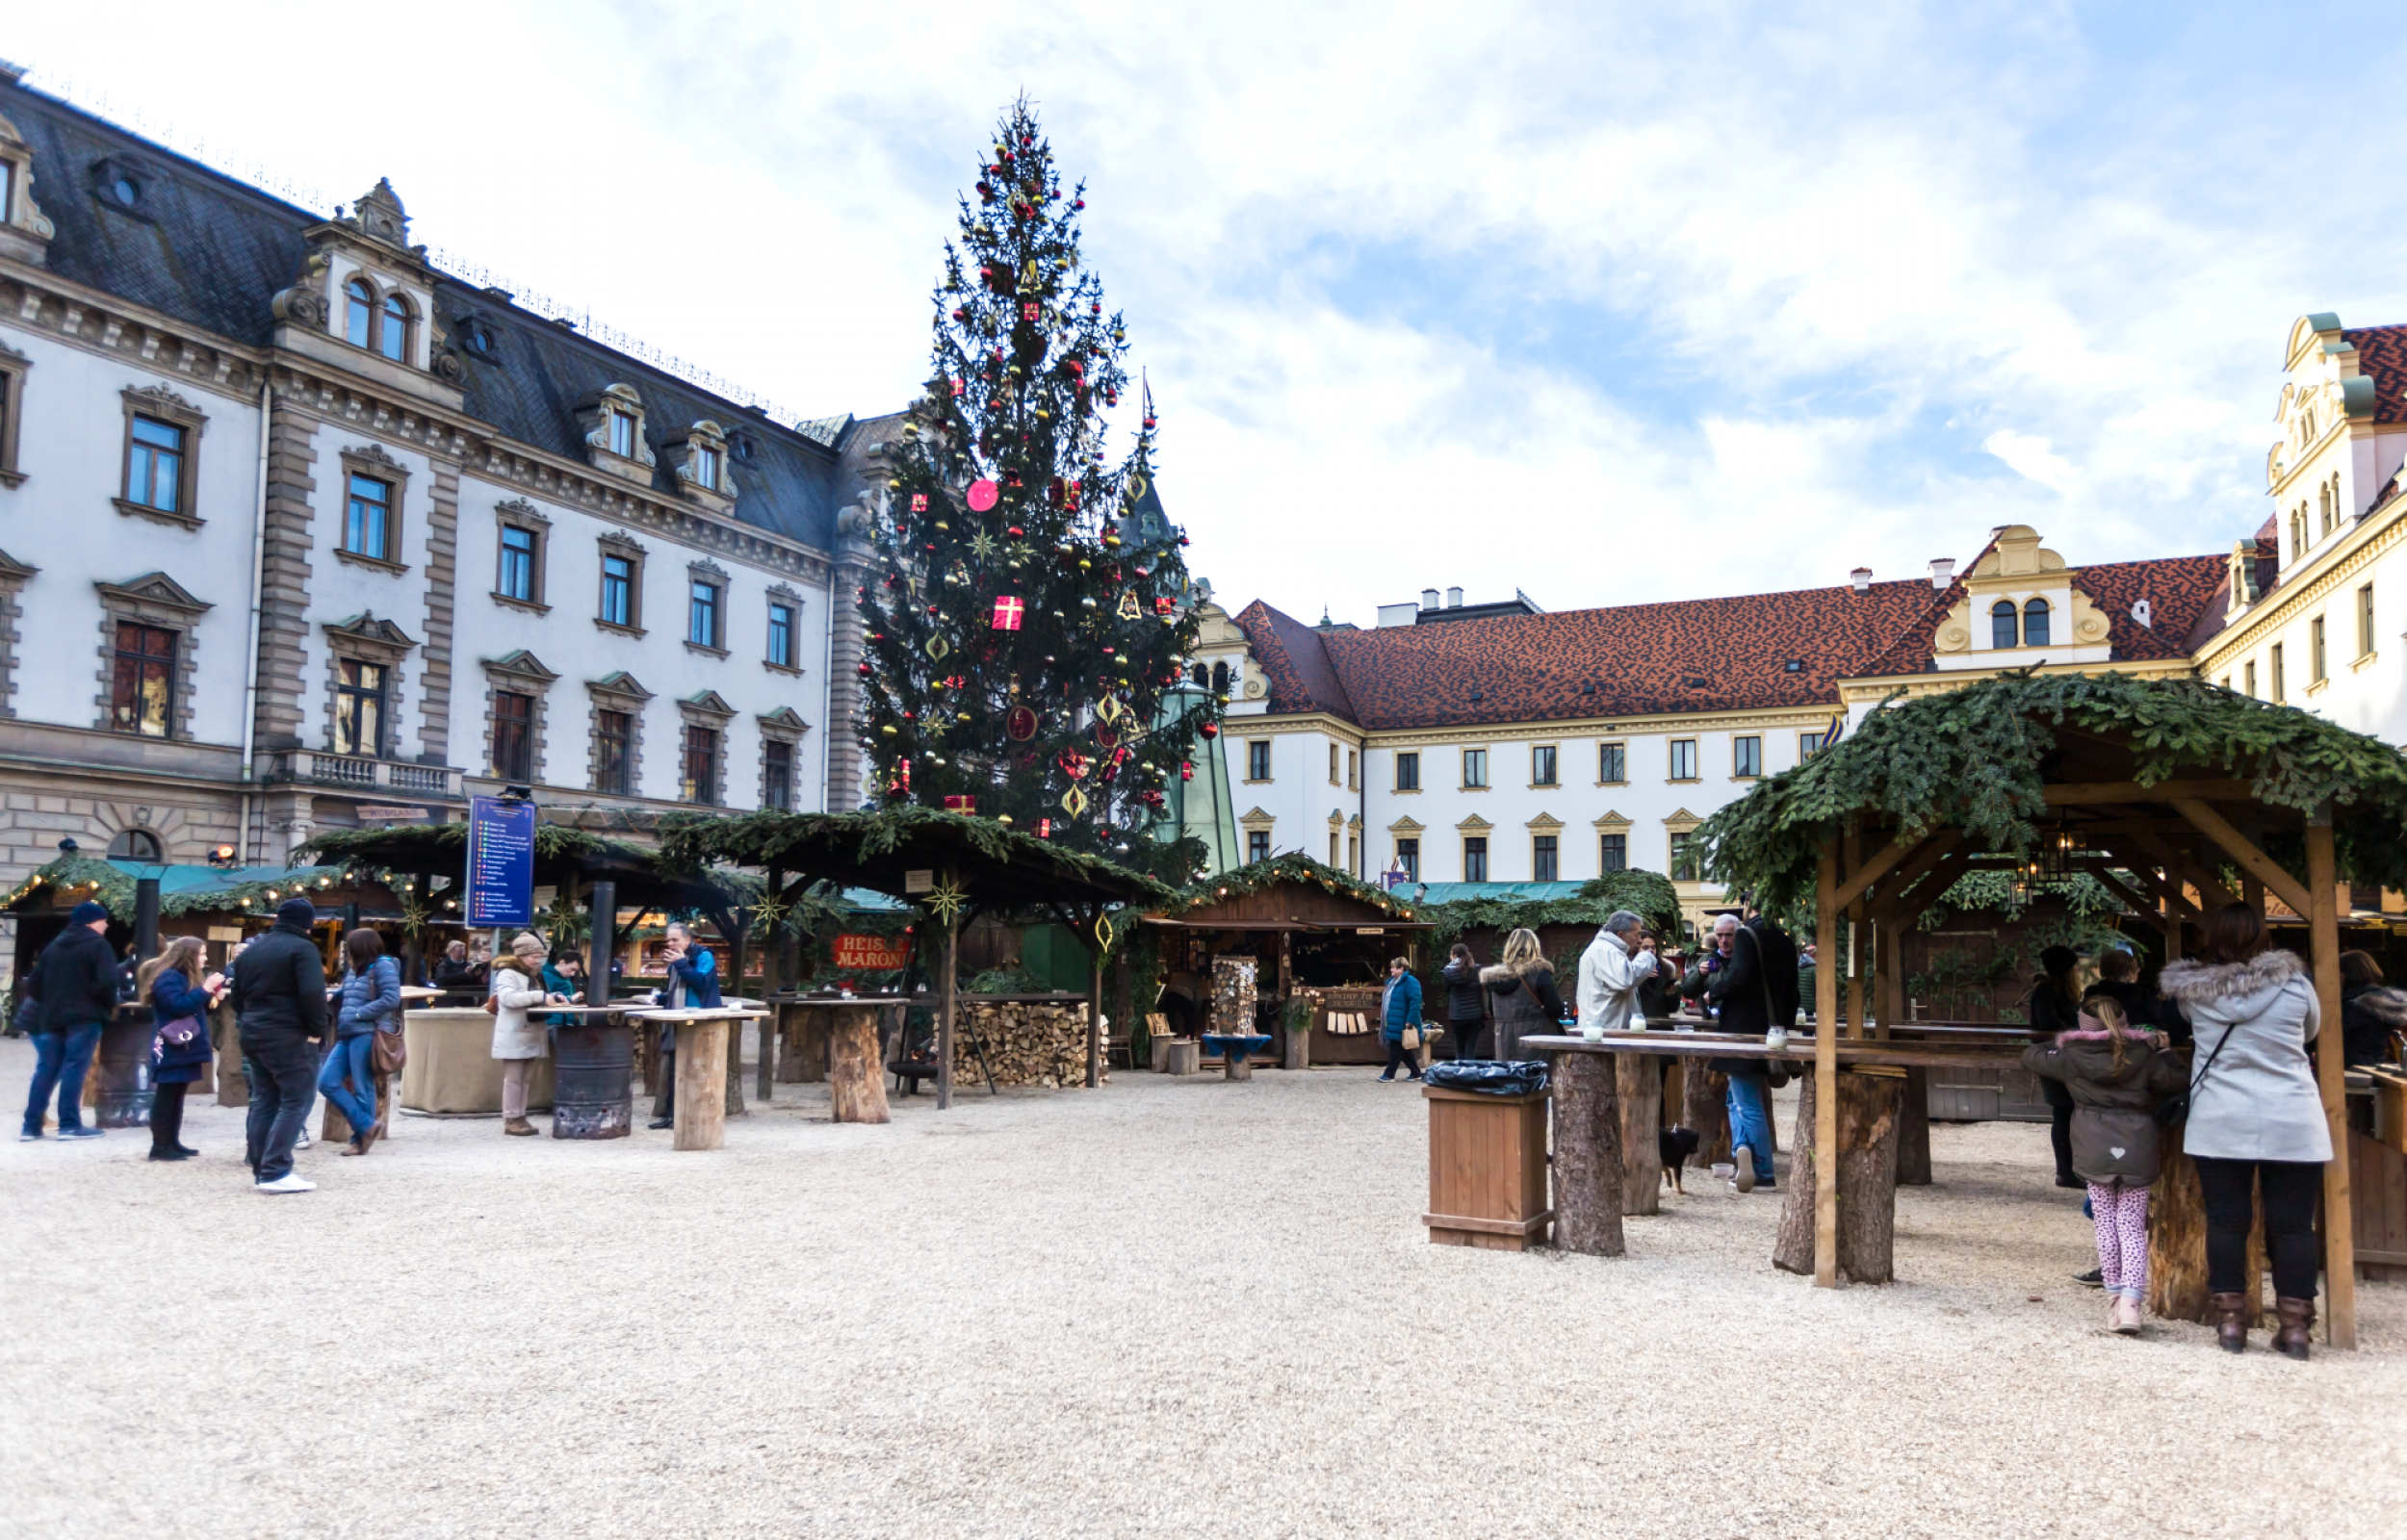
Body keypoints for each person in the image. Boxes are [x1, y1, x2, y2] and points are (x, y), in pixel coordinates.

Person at [2160, 903, 2331, 1359]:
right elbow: (2310, 1033)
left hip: (2221, 1115)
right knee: (2294, 1227)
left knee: (2227, 1222)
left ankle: (2232, 1324)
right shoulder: (2297, 986)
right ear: (2263, 937)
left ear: (2213, 938)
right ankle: (2296, 1328)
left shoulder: (2194, 994)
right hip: (2292, 1114)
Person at [2023, 996, 2186, 1334]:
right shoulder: (2143, 1053)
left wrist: (2063, 1041)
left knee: (2105, 1223)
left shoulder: (2071, 1056)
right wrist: (2165, 1051)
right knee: (2131, 1226)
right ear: (2125, 1021)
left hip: (2093, 1145)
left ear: (2083, 1026)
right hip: (2137, 1143)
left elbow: (2031, 1055)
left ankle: (2114, 1299)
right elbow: (2178, 1080)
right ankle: (2131, 1305)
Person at [231, 897, 330, 1193]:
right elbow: (313, 993)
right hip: (289, 1034)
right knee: (297, 1099)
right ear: (308, 923)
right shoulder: (303, 948)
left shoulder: (252, 950)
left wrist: (250, 1019)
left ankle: (261, 1168)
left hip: (254, 1031)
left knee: (264, 1101)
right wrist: (317, 1030)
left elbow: (237, 997)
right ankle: (275, 1170)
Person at [1684, 913, 1778, 1193]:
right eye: (1720, 935)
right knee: (1735, 1100)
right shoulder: (1711, 959)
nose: (1724, 940)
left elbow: (1737, 983)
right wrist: (1700, 975)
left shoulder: (1745, 961)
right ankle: (1742, 1151)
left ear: (1740, 936)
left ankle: (1763, 1171)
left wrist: (1713, 993)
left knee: (1747, 1104)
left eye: (1730, 935)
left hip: (1741, 1033)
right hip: (1730, 1032)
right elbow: (1686, 989)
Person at [19, 900, 118, 1142]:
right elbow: (108, 982)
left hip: (52, 1018)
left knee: (46, 1069)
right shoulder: (98, 945)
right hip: (85, 1017)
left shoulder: (54, 947)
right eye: (104, 921)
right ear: (92, 922)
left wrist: (54, 999)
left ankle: (31, 1127)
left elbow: (34, 985)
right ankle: (70, 1125)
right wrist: (102, 1003)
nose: (106, 925)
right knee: (75, 1067)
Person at [139, 937, 224, 1161]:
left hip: (183, 1042)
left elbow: (193, 1007)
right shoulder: (168, 977)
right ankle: (160, 1146)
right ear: (188, 955)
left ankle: (172, 1142)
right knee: (167, 1094)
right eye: (202, 954)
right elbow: (178, 1006)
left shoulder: (183, 976)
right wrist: (205, 989)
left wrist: (212, 998)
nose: (205, 958)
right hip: (171, 1043)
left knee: (177, 1093)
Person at [321, 928, 400, 1156]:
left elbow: (391, 998)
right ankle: (366, 1125)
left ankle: (359, 1141)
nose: (346, 949)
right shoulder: (355, 968)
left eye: (349, 945)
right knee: (326, 1082)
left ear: (361, 946)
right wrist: (333, 995)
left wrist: (359, 1013)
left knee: (363, 1087)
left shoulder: (383, 966)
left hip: (367, 1032)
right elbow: (350, 991)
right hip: (347, 1032)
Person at [647, 922, 720, 1130]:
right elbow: (677, 991)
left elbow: (701, 983)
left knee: (696, 1069)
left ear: (688, 940)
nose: (670, 943)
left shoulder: (704, 956)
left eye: (675, 939)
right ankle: (671, 1116)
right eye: (668, 940)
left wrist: (681, 963)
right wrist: (659, 998)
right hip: (676, 1019)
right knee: (673, 1069)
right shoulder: (675, 962)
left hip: (698, 1022)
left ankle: (694, 1116)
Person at [491, 932, 564, 1137]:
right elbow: (507, 998)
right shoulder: (507, 973)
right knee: (514, 1079)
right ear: (521, 954)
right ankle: (511, 1119)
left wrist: (554, 996)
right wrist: (540, 995)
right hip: (515, 1033)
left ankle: (520, 1116)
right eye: (533, 955)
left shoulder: (534, 974)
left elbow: (537, 997)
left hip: (530, 1031)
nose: (537, 960)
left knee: (525, 1079)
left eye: (539, 956)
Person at [2027, 945, 2085, 1190]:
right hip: (2055, 1056)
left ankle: (2070, 1170)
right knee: (2063, 1112)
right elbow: (2048, 1022)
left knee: (2067, 1112)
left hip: (2065, 1054)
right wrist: (2077, 1032)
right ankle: (2065, 1172)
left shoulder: (2058, 992)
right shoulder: (2045, 992)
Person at [1484, 928, 1567, 1060]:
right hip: (1536, 1038)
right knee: (1539, 1073)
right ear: (1534, 947)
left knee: (1509, 1072)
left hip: (1504, 1041)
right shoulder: (1539, 973)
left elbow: (1493, 1011)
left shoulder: (1494, 978)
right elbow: (1556, 1009)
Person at [1574, 911, 1655, 1036]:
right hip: (1606, 1031)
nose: (1640, 940)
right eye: (1637, 935)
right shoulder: (1607, 951)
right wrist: (1647, 956)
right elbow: (1627, 979)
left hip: (1602, 1028)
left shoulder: (1602, 949)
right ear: (1620, 934)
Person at [2339, 951, 2407, 1068]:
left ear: (2344, 975)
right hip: (2378, 1068)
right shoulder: (2384, 1000)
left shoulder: (2353, 1006)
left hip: (2352, 1071)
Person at [1378, 955, 1425, 1082]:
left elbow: (1415, 1002)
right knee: (1403, 1048)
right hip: (1395, 1020)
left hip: (1402, 1021)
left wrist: (1410, 1020)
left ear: (1401, 968)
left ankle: (1389, 1074)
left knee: (1396, 1048)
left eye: (1394, 967)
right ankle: (1416, 1073)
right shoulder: (1393, 983)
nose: (1391, 970)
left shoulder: (1411, 982)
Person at [1439, 942, 1488, 1059]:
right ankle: (1470, 1069)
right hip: (1475, 1015)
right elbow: (1484, 989)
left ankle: (1460, 1070)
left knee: (1459, 1050)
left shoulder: (1448, 972)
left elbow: (1446, 989)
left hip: (1457, 1015)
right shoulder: (1477, 970)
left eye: (1451, 954)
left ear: (1455, 955)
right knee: (1471, 1049)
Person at [542, 951, 586, 1030]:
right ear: (562, 962)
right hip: (555, 1023)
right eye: (572, 969)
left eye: (575, 971)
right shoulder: (547, 976)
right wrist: (571, 998)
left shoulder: (565, 977)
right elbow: (544, 998)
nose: (573, 974)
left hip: (567, 1022)